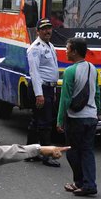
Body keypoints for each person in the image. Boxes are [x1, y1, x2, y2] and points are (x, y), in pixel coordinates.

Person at [56, 37, 100, 196]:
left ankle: (79, 182)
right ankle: (89, 184)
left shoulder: (70, 71)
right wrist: (97, 113)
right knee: (87, 151)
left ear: (74, 52)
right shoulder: (93, 68)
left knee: (73, 151)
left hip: (76, 118)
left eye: (67, 48)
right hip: (91, 117)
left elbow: (65, 98)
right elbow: (97, 93)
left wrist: (60, 119)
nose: (65, 51)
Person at [25, 18, 61, 167]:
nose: (48, 31)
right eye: (44, 29)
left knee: (37, 121)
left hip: (48, 88)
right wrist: (39, 94)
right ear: (38, 31)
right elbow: (35, 73)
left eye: (49, 28)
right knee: (45, 123)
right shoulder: (35, 48)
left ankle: (30, 152)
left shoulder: (50, 45)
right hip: (39, 88)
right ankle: (47, 156)